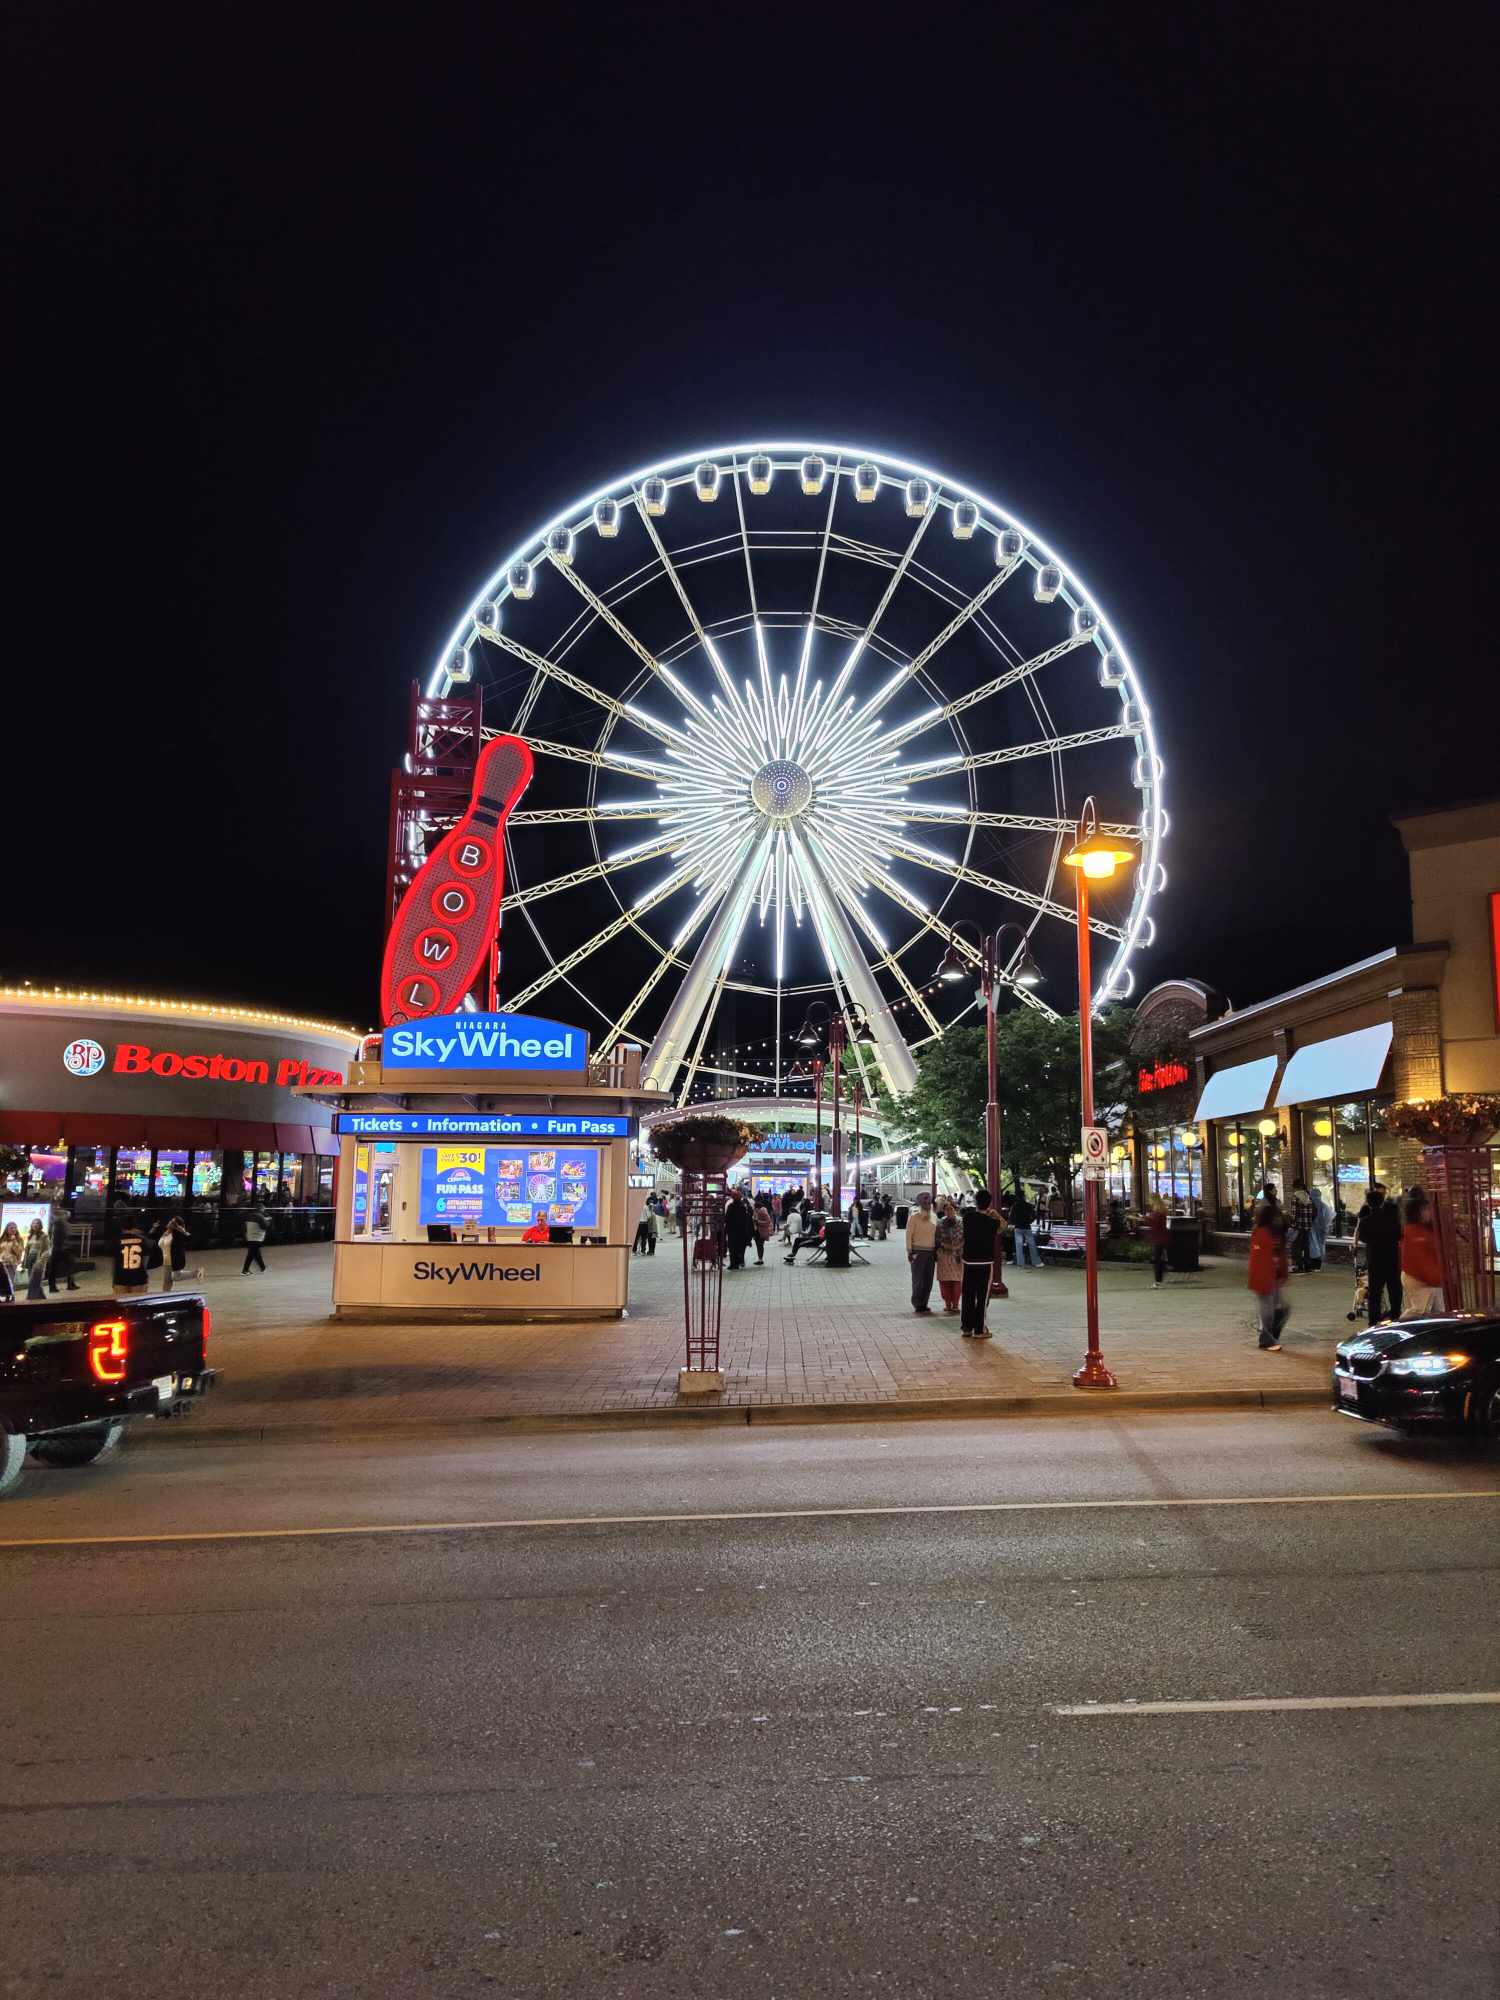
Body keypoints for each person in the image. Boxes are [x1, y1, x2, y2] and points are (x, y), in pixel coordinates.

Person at [1355, 1182, 1403, 1322]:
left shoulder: (1365, 1221)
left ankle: (1373, 1319)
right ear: (1382, 1202)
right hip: (1392, 1256)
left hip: (1375, 1258)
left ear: (1369, 1204)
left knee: (1375, 1290)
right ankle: (1395, 1313)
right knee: (1394, 1287)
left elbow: (1363, 1238)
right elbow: (1399, 1235)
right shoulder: (1393, 1220)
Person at [1247, 1199, 1290, 1350]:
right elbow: (1259, 1260)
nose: (1279, 1219)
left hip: (1274, 1277)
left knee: (1282, 1309)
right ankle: (1266, 1339)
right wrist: (1265, 1279)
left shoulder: (1277, 1234)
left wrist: (1282, 1273)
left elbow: (1281, 1256)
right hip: (1263, 1278)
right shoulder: (1260, 1233)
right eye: (1276, 1216)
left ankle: (1271, 1336)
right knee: (1267, 1310)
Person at [960, 1190, 1001, 1338]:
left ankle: (966, 1328)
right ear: (989, 1203)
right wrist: (994, 1213)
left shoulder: (967, 1218)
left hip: (968, 1261)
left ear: (976, 1202)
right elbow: (1004, 1226)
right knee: (982, 1297)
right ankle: (979, 1329)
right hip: (985, 1262)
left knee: (967, 1295)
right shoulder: (993, 1222)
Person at [1399, 1190, 1444, 1317]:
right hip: (1418, 1278)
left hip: (1424, 1277)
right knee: (1420, 1310)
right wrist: (1436, 1278)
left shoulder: (1423, 1229)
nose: (1429, 1212)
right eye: (1425, 1209)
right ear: (1416, 1212)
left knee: (1437, 1311)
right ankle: (1399, 1330)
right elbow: (1420, 1259)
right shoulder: (1414, 1232)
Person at [905, 1190, 937, 1313]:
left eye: (928, 1199)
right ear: (919, 1202)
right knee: (918, 1279)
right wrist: (909, 1250)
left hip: (931, 1251)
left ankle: (924, 1302)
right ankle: (917, 1303)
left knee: (928, 1280)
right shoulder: (914, 1216)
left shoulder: (934, 1216)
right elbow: (909, 1234)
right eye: (924, 1200)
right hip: (917, 1251)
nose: (927, 1202)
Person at [934, 1196, 964, 1314]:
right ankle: (948, 1304)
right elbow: (936, 1239)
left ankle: (955, 1304)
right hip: (947, 1255)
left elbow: (964, 1238)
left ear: (955, 1209)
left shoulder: (960, 1222)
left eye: (951, 1209)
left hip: (955, 1255)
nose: (949, 1211)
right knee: (945, 1281)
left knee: (956, 1281)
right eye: (947, 1209)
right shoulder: (940, 1223)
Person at [1009, 1184, 1041, 1270]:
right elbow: (1034, 1215)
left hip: (1018, 1227)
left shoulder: (1014, 1206)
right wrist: (1030, 1221)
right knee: (1032, 1245)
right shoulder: (1028, 1205)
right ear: (1023, 1196)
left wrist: (1015, 1223)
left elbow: (1011, 1217)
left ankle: (1020, 1263)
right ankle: (1036, 1262)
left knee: (1018, 1246)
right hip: (1027, 1227)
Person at [47, 1206, 79, 1293]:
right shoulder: (62, 1224)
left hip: (55, 1248)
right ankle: (70, 1284)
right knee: (70, 1265)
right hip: (63, 1248)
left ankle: (52, 1287)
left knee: (53, 1268)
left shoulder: (53, 1223)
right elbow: (66, 1236)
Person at [113, 1218, 150, 1290]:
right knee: (138, 1301)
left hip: (120, 1278)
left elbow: (113, 1262)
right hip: (139, 1278)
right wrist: (146, 1277)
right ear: (134, 1227)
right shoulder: (143, 1240)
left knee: (121, 1301)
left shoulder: (116, 1241)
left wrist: (114, 1280)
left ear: (122, 1227)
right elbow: (145, 1262)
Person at [157, 1214, 190, 1291]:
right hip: (165, 1261)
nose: (169, 1222)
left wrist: (182, 1231)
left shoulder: (177, 1235)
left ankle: (196, 1273)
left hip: (173, 1260)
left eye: (172, 1222)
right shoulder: (166, 1233)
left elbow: (189, 1239)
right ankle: (165, 1298)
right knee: (167, 1282)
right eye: (171, 1221)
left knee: (174, 1278)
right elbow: (159, 1244)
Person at [1288, 1179, 1315, 1272]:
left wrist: (1291, 1225)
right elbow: (1312, 1213)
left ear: (1295, 1187)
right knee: (1306, 1246)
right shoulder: (1308, 1196)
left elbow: (1294, 1214)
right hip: (1307, 1226)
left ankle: (1299, 1266)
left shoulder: (1295, 1197)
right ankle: (1307, 1266)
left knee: (1297, 1247)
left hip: (1298, 1226)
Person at [21, 1218, 51, 1300]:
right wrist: (24, 1263)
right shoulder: (30, 1236)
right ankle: (41, 1298)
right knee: (33, 1281)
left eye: (37, 1223)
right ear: (31, 1225)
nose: (35, 1224)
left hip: (38, 1260)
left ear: (40, 1225)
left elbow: (47, 1250)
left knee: (34, 1281)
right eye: (34, 1223)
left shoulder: (44, 1236)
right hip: (30, 1260)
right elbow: (27, 1250)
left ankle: (30, 1298)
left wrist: (41, 1261)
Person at [723, 1191, 753, 1271]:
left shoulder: (731, 1206)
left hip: (732, 1231)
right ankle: (739, 1262)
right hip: (741, 1231)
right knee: (740, 1247)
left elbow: (727, 1218)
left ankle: (733, 1264)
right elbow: (745, 1219)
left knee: (732, 1247)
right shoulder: (743, 1207)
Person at [1146, 1197, 1170, 1288]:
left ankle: (1158, 1282)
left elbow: (1154, 1223)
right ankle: (1159, 1280)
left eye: (1151, 1202)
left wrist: (1144, 1218)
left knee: (1157, 1261)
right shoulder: (1162, 1212)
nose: (1150, 1204)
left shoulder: (1157, 1213)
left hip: (1158, 1239)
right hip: (1162, 1238)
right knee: (1159, 1260)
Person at [1306, 1184, 1329, 1271]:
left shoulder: (1310, 1205)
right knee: (1320, 1246)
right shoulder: (1324, 1206)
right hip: (1321, 1229)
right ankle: (1318, 1263)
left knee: (1313, 1246)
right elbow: (1327, 1218)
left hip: (1313, 1228)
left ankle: (1313, 1263)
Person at [242, 1206, 269, 1273]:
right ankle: (245, 1270)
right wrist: (268, 1221)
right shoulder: (260, 1216)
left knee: (256, 1253)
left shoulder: (249, 1216)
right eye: (264, 1210)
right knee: (251, 1254)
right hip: (257, 1237)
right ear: (261, 1209)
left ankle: (263, 1267)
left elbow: (245, 1227)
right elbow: (265, 1226)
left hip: (250, 1236)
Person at [752, 1197, 774, 1265]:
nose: (754, 1209)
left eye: (755, 1207)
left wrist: (757, 1221)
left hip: (761, 1231)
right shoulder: (760, 1211)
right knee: (759, 1246)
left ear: (758, 1207)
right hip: (759, 1231)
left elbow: (767, 1222)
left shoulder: (762, 1211)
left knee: (760, 1245)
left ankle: (760, 1259)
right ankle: (760, 1259)